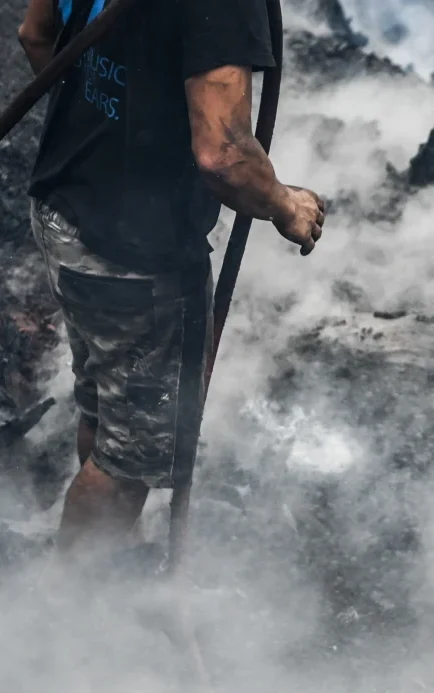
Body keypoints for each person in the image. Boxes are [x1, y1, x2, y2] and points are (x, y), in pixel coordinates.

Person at [17, 0, 326, 563]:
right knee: (130, 462)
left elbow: (36, 35)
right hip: (134, 260)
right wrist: (286, 205)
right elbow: (224, 156)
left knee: (108, 408)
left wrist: (100, 133)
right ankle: (72, 597)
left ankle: (110, 546)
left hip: (63, 212)